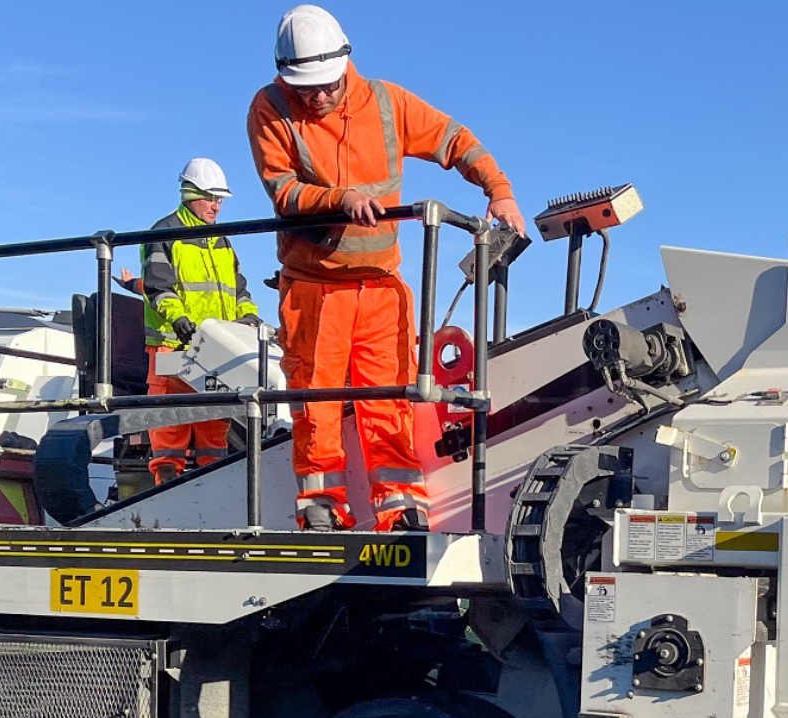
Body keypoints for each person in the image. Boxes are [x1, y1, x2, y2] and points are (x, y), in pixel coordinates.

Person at [248, 5, 525, 531]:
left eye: (327, 85)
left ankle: (400, 510)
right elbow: (282, 190)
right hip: (313, 289)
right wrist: (338, 198)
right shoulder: (269, 108)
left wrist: (499, 190)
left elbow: (455, 140)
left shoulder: (386, 103)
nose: (319, 96)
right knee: (315, 406)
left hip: (380, 289)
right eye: (306, 88)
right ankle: (322, 509)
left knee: (392, 403)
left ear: (346, 64)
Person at [139, 158, 263, 484]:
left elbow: (239, 288)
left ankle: (214, 485)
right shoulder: (164, 234)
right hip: (172, 343)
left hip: (215, 349)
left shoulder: (221, 240)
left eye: (220, 200)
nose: (218, 207)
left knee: (215, 423)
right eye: (213, 198)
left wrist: (248, 315)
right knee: (170, 421)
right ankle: (166, 485)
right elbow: (158, 287)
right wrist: (178, 318)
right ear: (192, 194)